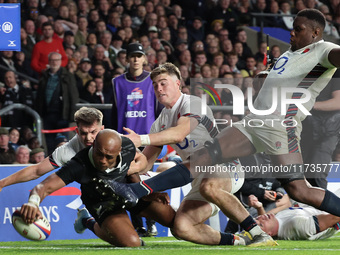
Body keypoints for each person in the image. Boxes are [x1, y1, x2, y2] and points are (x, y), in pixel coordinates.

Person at [108, 9, 340, 224]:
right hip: (254, 122)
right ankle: (135, 191)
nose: (292, 32)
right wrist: (263, 79)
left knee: (299, 190)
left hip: (281, 126)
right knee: (202, 157)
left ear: (315, 32)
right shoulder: (291, 53)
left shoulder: (324, 50)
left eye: (298, 29)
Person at [96, 63, 276, 247]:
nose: (159, 88)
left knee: (209, 187)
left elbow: (179, 133)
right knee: (181, 227)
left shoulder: (193, 103)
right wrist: (120, 168)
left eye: (163, 83)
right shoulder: (160, 122)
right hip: (198, 176)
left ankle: (258, 233)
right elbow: (146, 162)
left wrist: (140, 139)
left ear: (178, 84)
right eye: (155, 85)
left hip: (226, 166)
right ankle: (239, 241)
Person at [20, 129, 175, 247]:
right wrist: (33, 203)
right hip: (103, 204)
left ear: (119, 151)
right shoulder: (78, 165)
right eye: (99, 154)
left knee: (173, 220)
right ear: (93, 145)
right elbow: (44, 186)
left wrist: (145, 191)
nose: (102, 161)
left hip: (130, 192)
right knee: (132, 243)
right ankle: (88, 220)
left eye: (109, 157)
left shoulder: (127, 146)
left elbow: (137, 162)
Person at [110, 42, 163, 236]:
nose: (135, 59)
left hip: (147, 140)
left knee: (143, 180)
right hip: (124, 142)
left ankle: (150, 221)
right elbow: (114, 115)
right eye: (132, 56)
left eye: (139, 56)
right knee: (128, 182)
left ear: (144, 58)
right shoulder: (117, 82)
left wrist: (159, 138)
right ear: (126, 58)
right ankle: (140, 224)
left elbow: (158, 112)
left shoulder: (153, 81)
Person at [0, 107, 103, 192]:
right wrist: (2, 183)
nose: (89, 138)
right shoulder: (67, 151)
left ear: (102, 129)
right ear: (77, 131)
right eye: (84, 133)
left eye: (93, 132)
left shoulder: (116, 142)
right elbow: (36, 171)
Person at [300, 68, 340, 189]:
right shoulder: (304, 70)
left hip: (327, 129)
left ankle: (322, 206)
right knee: (300, 172)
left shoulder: (335, 72)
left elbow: (337, 102)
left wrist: (309, 105)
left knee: (317, 172)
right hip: (304, 127)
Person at [35, 52, 79, 154]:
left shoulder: (68, 76)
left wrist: (72, 115)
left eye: (56, 60)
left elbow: (74, 96)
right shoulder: (44, 76)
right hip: (47, 115)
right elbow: (39, 96)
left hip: (62, 115)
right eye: (52, 60)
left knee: (62, 143)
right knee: (49, 144)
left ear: (60, 61)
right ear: (49, 62)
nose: (54, 63)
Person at [249, 193, 340, 240]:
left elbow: (260, 224)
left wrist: (259, 207)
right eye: (261, 224)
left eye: (257, 218)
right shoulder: (296, 226)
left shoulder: (276, 220)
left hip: (322, 205)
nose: (261, 218)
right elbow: (334, 217)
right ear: (269, 234)